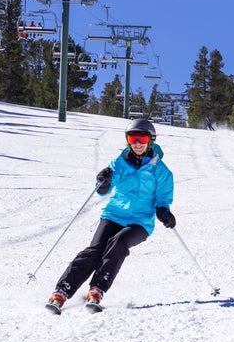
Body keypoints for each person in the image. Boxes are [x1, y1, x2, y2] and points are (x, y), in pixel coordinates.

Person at [46, 119, 176, 313]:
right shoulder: (119, 163)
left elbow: (163, 198)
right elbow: (103, 190)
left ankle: (97, 290)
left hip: (140, 222)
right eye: (133, 138)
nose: (137, 143)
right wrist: (104, 181)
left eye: (142, 138)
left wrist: (164, 211)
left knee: (118, 243)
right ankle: (62, 291)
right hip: (114, 214)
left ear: (150, 140)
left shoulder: (161, 171)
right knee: (95, 250)